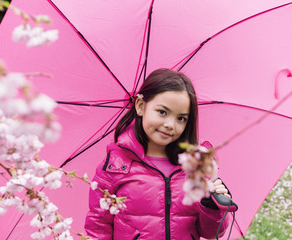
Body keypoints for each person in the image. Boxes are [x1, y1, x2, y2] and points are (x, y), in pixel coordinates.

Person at [85, 68, 230, 240]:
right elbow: (98, 226)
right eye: (162, 112)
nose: (170, 124)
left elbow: (212, 232)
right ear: (140, 106)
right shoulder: (115, 167)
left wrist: (212, 206)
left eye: (181, 118)